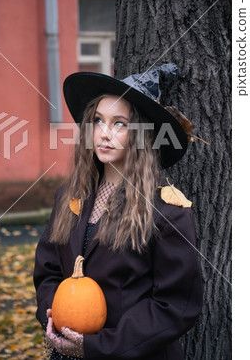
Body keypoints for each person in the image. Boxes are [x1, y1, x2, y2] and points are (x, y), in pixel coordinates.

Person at [34, 64, 203, 360]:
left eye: (119, 124)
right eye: (98, 121)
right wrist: (57, 317)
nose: (104, 134)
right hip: (68, 351)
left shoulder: (166, 211)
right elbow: (48, 272)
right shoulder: (69, 198)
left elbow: (175, 306)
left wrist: (101, 346)